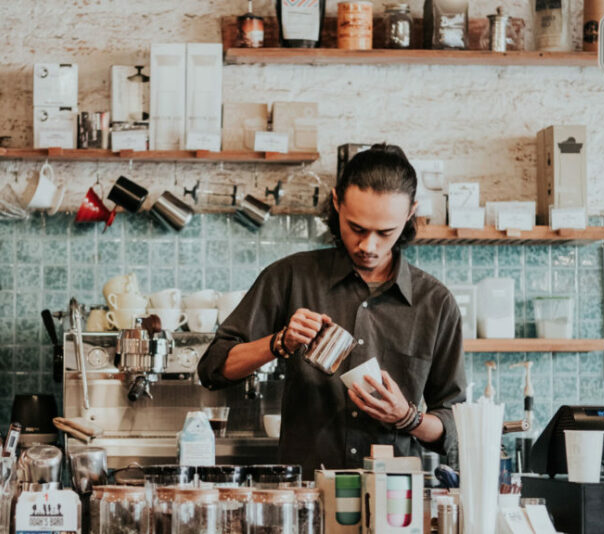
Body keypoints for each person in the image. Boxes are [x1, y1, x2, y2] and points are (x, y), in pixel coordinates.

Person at [197, 144, 466, 473]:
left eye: (385, 233)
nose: (368, 246)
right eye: (356, 228)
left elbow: (453, 424)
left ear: (410, 213)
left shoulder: (436, 303)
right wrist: (279, 342)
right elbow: (213, 368)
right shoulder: (290, 277)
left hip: (392, 501)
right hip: (307, 493)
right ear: (337, 203)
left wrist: (408, 418)